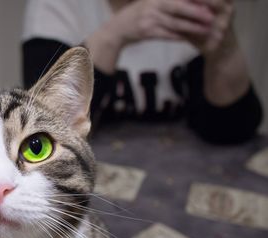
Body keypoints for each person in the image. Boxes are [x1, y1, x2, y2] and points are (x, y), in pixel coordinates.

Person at [22, 0, 263, 144]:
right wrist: (114, 34)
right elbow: (44, 130)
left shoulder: (187, 9)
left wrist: (225, 47)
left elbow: (232, 129)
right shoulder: (55, 7)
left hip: (179, 167)